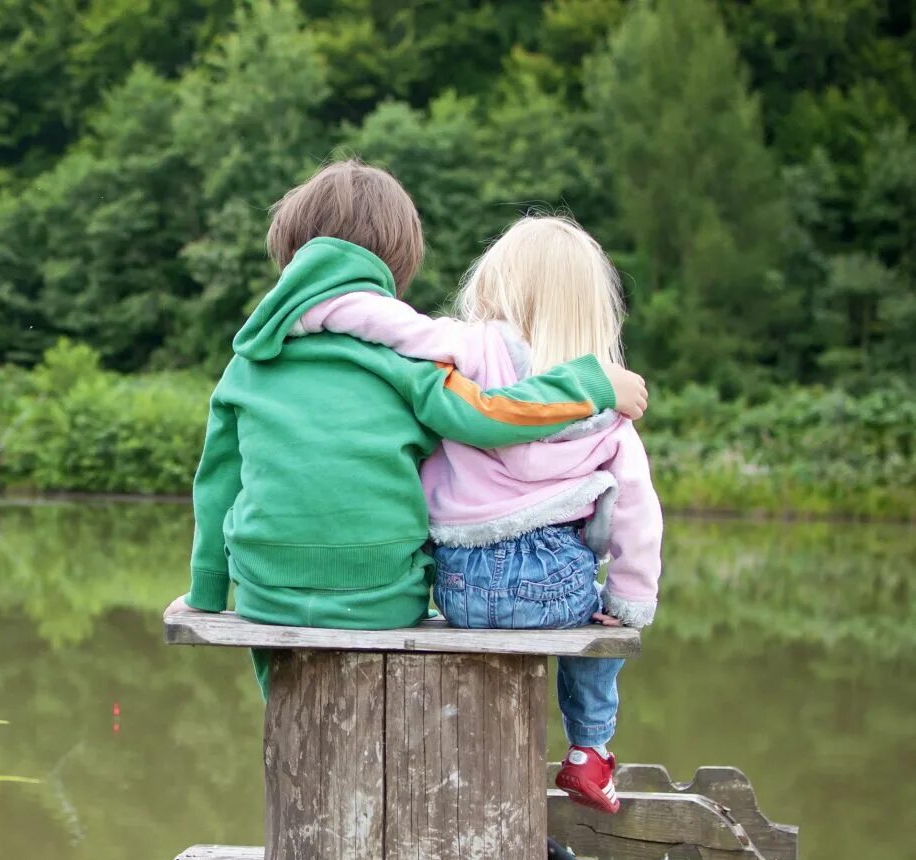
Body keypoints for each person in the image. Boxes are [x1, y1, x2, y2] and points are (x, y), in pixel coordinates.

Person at [168, 159, 649, 705]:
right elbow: (485, 417)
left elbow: (216, 487)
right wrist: (588, 384)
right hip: (385, 598)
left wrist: (206, 594)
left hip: (261, 593)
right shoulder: (405, 357)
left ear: (290, 254)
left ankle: (279, 700)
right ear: (398, 264)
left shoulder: (248, 362)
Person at [289, 214, 663, 814]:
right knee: (602, 623)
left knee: (588, 612)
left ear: (497, 285)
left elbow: (389, 323)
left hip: (461, 586)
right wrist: (628, 606)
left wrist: (313, 312)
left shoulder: (471, 349)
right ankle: (589, 751)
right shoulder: (609, 404)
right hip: (554, 589)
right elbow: (638, 523)